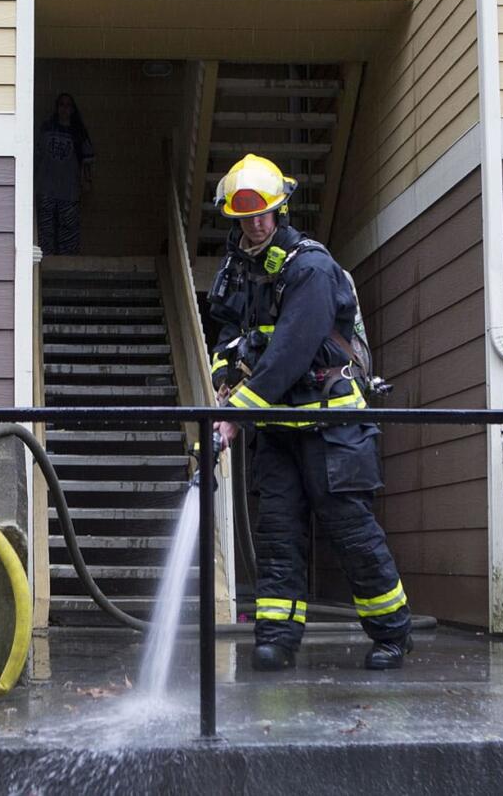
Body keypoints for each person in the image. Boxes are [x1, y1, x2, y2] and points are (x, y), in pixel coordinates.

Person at [207, 154, 412, 672]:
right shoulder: (235, 273)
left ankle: (392, 634)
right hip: (277, 431)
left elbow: (290, 354)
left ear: (280, 211)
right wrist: (223, 380)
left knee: (353, 534)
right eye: (247, 217)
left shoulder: (311, 267)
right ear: (233, 218)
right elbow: (226, 340)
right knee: (278, 535)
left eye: (266, 213)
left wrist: (234, 416)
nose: (257, 224)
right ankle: (277, 638)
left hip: (331, 425)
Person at [35, 92, 95, 256]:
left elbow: (87, 160)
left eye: (68, 105)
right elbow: (36, 155)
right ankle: (46, 261)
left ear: (73, 109)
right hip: (45, 187)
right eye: (61, 105)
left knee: (68, 230)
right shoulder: (46, 129)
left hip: (69, 190)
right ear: (56, 107)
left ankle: (67, 263)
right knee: (46, 228)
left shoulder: (78, 133)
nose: (64, 109)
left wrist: (87, 181)